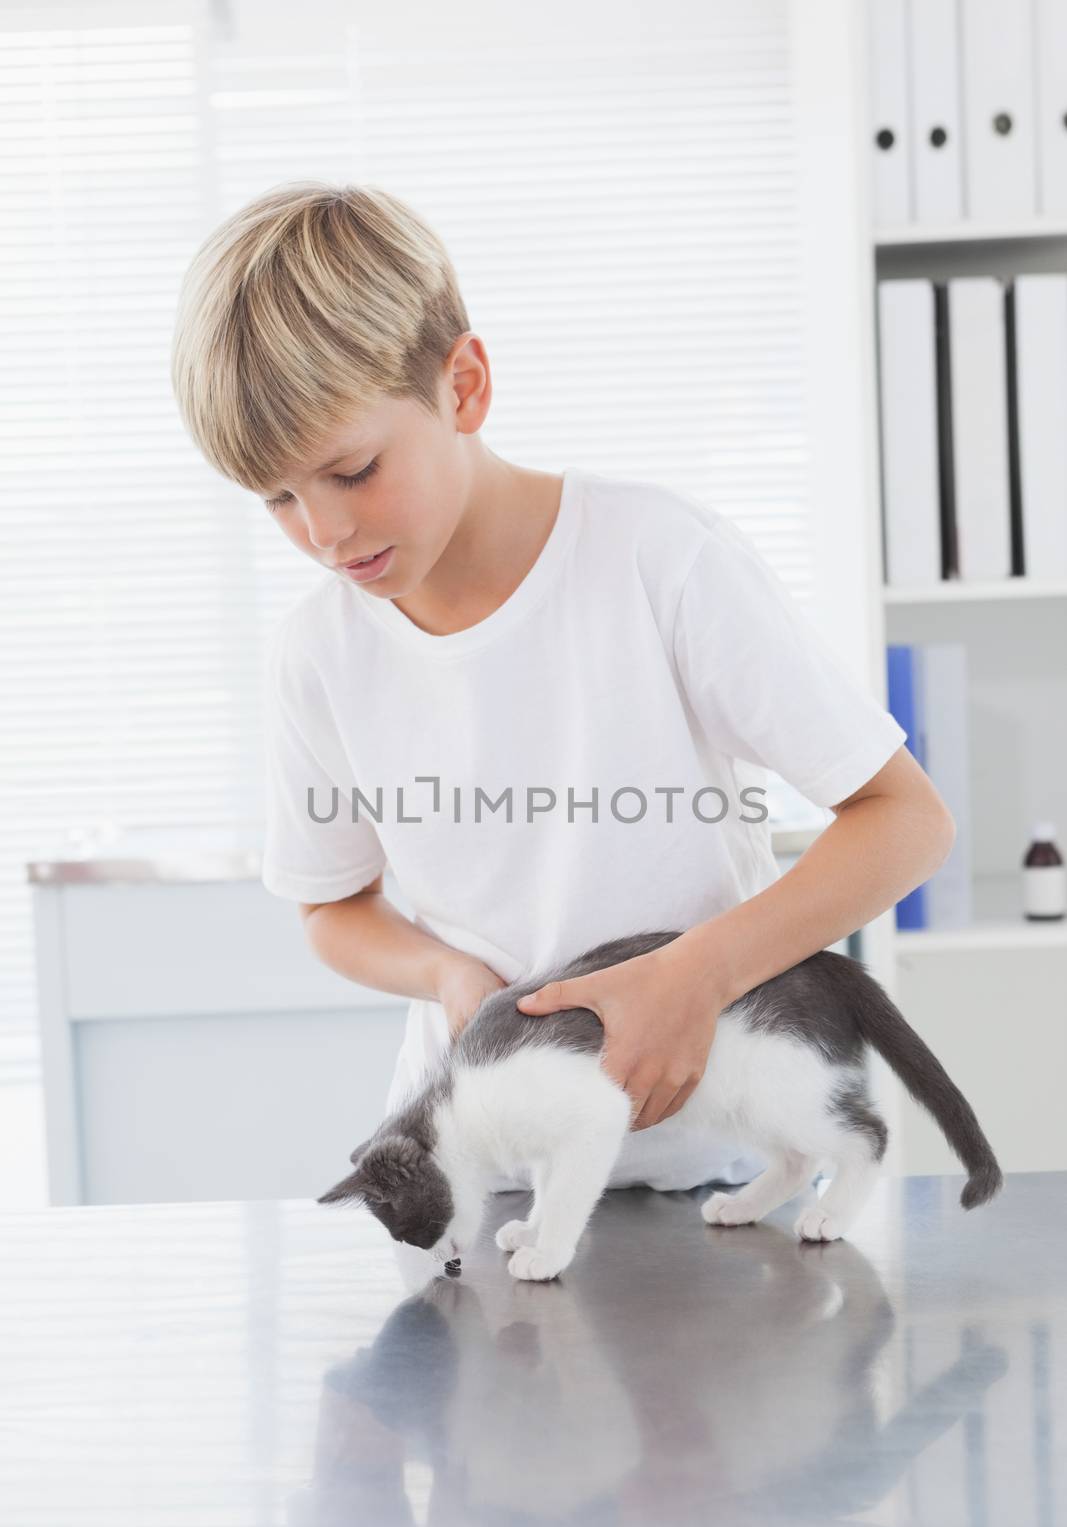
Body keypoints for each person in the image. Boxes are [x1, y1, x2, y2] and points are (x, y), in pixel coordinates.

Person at [170, 182, 956, 1195]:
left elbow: (905, 820)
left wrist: (698, 975)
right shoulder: (318, 653)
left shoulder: (656, 560)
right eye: (276, 497)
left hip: (710, 1165)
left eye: (353, 470)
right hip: (481, 1176)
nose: (323, 533)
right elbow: (333, 909)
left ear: (463, 385)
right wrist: (443, 973)